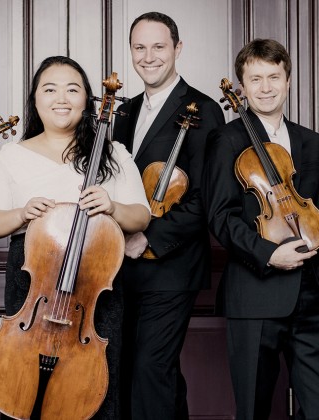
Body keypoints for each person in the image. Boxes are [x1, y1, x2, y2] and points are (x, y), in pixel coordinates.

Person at [0, 55, 150, 419]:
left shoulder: (112, 153)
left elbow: (141, 216)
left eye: (73, 90)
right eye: (50, 89)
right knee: (22, 390)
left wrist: (112, 206)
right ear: (35, 99)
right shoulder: (11, 156)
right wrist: (21, 213)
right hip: (31, 286)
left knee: (95, 391)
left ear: (87, 99)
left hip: (94, 286)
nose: (61, 98)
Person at [203, 39, 319, 420]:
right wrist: (269, 254)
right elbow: (221, 216)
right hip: (256, 295)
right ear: (243, 86)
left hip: (314, 296)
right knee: (253, 409)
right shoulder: (226, 140)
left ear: (287, 81)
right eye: (255, 79)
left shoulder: (309, 142)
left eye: (274, 77)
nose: (265, 87)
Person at [111, 11, 225, 420]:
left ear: (177, 49)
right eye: (139, 47)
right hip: (119, 266)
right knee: (133, 373)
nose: (148, 56)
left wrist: (150, 237)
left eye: (158, 46)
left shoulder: (204, 110)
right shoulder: (123, 112)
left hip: (170, 266)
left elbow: (205, 197)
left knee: (150, 369)